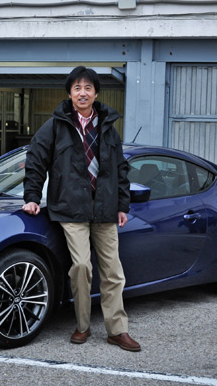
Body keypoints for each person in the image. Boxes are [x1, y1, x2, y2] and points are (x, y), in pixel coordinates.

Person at [22, 66, 141, 352]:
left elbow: (120, 169)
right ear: (70, 94)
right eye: (77, 88)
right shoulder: (55, 126)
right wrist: (32, 197)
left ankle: (117, 330)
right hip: (71, 209)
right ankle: (83, 326)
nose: (82, 93)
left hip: (105, 209)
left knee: (113, 272)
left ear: (96, 93)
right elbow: (36, 159)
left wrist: (122, 205)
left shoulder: (108, 127)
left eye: (88, 88)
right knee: (81, 267)